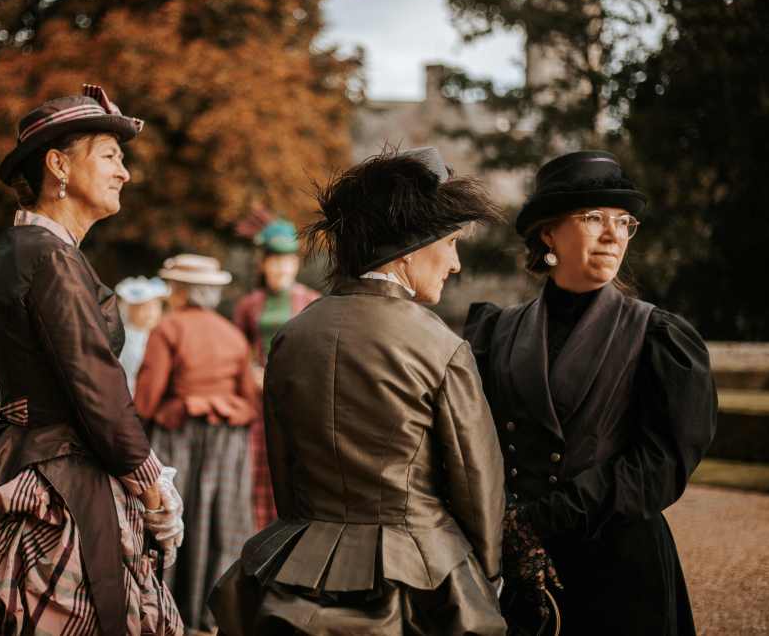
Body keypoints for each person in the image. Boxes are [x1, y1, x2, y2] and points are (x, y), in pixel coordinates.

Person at [0, 85, 185, 636]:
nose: (126, 173)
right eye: (111, 156)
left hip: (22, 451)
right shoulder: (50, 259)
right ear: (58, 164)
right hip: (59, 474)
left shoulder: (24, 249)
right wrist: (152, 485)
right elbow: (95, 386)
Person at [210, 147, 507, 636]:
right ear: (410, 247)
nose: (454, 263)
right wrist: (486, 576)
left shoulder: (291, 336)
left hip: (297, 570)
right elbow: (477, 482)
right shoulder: (440, 345)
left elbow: (284, 473)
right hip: (417, 578)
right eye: (451, 244)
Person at [464, 150, 718, 636]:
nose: (613, 235)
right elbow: (475, 441)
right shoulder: (495, 330)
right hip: (522, 564)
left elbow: (663, 462)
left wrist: (543, 517)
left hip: (619, 564)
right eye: (593, 218)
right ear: (547, 231)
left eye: (624, 222)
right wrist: (503, 526)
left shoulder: (658, 336)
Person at [134, 254, 259, 634]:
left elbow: (146, 401)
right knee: (222, 519)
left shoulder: (167, 330)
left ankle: (168, 605)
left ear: (179, 291)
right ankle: (214, 610)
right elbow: (248, 397)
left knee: (174, 516)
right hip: (228, 441)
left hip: (180, 436)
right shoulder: (233, 334)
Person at [233, 219, 320, 530]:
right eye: (275, 261)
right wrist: (249, 372)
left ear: (295, 265)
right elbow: (238, 349)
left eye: (287, 262)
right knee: (260, 464)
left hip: (297, 396)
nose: (281, 269)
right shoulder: (248, 305)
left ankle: (296, 530)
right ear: (264, 264)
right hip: (258, 397)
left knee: (295, 461)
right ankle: (260, 532)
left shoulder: (311, 301)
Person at [116, 276, 169, 396]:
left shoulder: (159, 334)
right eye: (143, 308)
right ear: (129, 309)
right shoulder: (124, 336)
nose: (150, 313)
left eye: (155, 307)